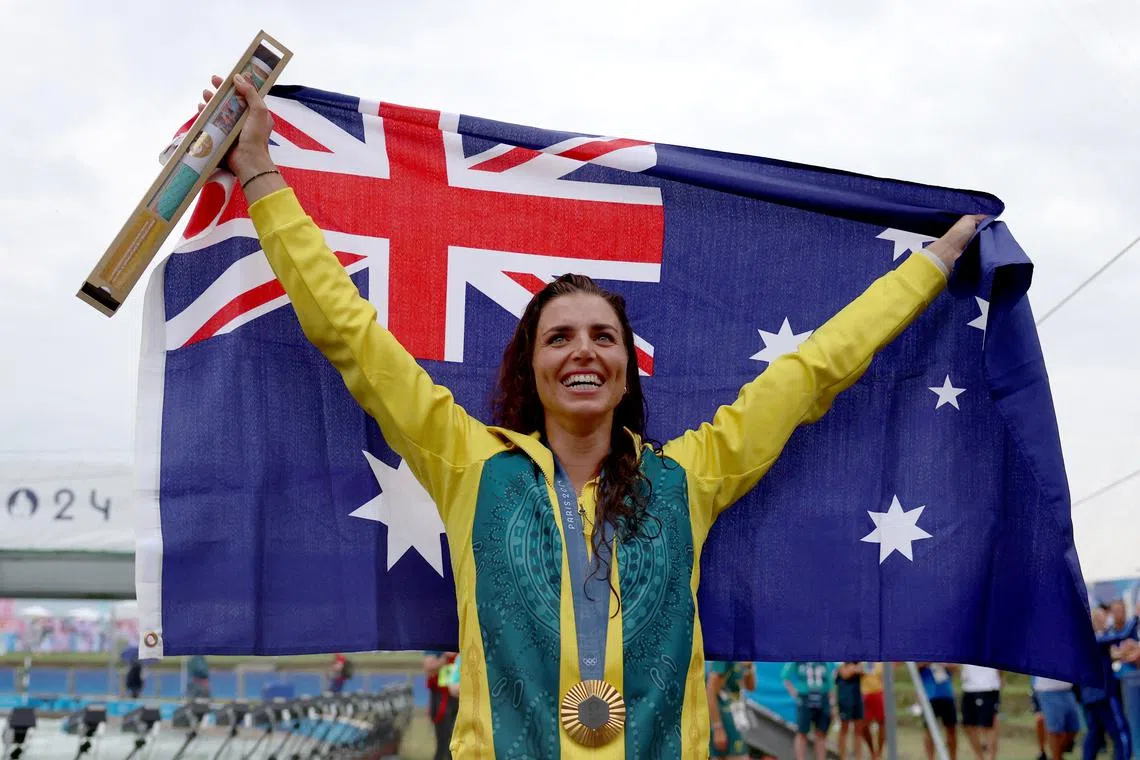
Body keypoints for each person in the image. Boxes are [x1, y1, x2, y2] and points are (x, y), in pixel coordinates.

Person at [200, 73, 984, 758]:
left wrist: (933, 265)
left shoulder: (691, 477)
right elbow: (352, 336)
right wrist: (264, 175)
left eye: (603, 336)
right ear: (530, 365)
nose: (583, 352)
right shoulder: (469, 464)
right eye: (560, 337)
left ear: (625, 366)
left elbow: (813, 371)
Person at [1082, 607, 1131, 760]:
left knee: (1094, 735)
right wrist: (1136, 618)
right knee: (1120, 732)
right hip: (1103, 696)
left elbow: (1107, 658)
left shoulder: (1086, 640)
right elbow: (1123, 635)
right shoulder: (1096, 639)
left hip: (1090, 697)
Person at [783, 661, 837, 760]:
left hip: (822, 698)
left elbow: (830, 683)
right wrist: (794, 693)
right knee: (802, 732)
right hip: (805, 698)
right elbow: (785, 675)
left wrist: (832, 704)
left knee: (821, 733)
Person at [706, 661, 756, 760]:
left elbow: (750, 687)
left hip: (736, 717)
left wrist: (749, 668)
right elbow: (710, 691)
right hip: (723, 717)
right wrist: (717, 727)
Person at [1033, 676, 1081, 760]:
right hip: (1048, 690)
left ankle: (1057, 756)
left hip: (1067, 689)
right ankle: (1054, 756)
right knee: (1055, 731)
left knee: (1073, 728)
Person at [959, 664, 1001, 760]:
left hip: (987, 685)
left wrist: (1000, 676)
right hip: (968, 686)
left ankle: (991, 757)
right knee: (968, 725)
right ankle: (979, 757)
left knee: (988, 725)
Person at [917, 663, 958, 760]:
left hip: (947, 695)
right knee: (929, 730)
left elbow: (955, 668)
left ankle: (953, 757)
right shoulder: (924, 653)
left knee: (951, 729)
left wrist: (944, 664)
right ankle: (930, 758)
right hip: (929, 696)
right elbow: (916, 667)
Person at [424, 651, 460, 760]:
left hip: (461, 698)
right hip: (442, 699)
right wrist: (444, 658)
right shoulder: (437, 644)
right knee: (443, 741)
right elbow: (428, 667)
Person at [836, 662, 865, 760]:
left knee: (858, 730)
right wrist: (854, 669)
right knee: (844, 728)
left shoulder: (858, 661)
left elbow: (865, 671)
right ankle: (842, 757)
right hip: (845, 698)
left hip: (857, 698)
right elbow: (845, 674)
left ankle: (858, 757)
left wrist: (854, 668)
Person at [860, 663, 886, 760]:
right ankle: (873, 752)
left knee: (882, 723)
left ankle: (879, 754)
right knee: (863, 726)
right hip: (865, 693)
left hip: (878, 691)